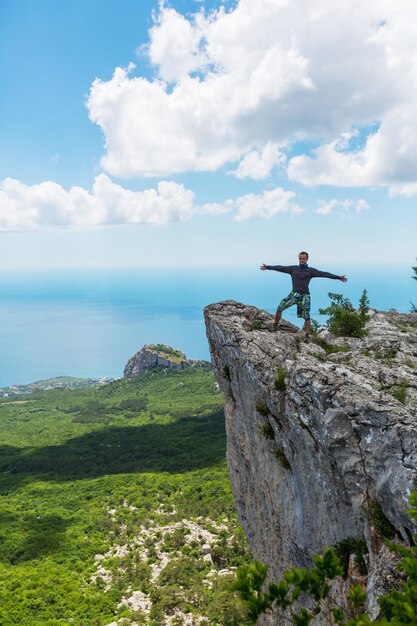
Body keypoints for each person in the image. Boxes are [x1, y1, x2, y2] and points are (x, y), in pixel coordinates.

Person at [260, 251, 347, 335]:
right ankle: (275, 325)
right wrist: (268, 267)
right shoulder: (293, 269)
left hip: (305, 296)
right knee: (279, 308)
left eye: (303, 258)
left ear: (307, 259)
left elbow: (324, 274)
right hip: (294, 295)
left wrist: (338, 277)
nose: (301, 260)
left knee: (306, 317)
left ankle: (307, 335)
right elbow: (280, 267)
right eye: (300, 258)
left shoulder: (311, 271)